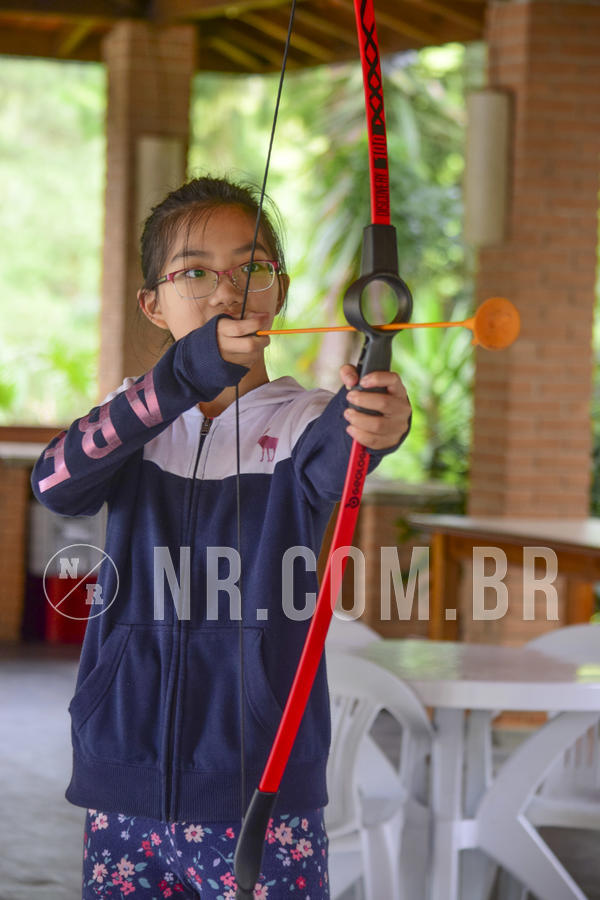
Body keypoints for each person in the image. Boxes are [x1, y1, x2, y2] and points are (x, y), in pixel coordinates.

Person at [31, 176, 411, 899]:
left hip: (260, 790)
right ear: (153, 303)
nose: (226, 289)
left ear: (281, 291)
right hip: (123, 781)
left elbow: (349, 445)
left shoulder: (303, 421)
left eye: (252, 267)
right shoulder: (133, 419)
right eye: (196, 271)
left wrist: (379, 417)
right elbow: (55, 483)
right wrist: (181, 378)